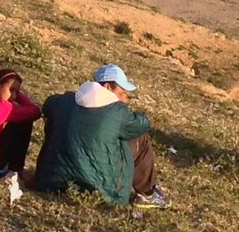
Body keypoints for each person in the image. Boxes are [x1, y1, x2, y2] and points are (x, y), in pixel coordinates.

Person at [32, 64, 164, 208]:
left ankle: (58, 173)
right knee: (140, 137)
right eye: (122, 92)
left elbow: (47, 105)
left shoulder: (64, 101)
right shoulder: (118, 112)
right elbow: (143, 124)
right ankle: (148, 193)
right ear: (107, 87)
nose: (124, 98)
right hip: (102, 190)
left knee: (55, 120)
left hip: (50, 182)